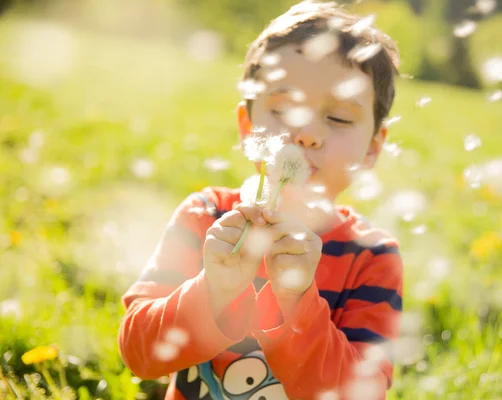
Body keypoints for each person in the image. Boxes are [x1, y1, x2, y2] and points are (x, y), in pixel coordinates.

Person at [118, 1, 403, 399]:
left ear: (373, 148)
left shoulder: (371, 259)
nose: (306, 134)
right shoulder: (205, 217)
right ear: (247, 126)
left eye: (338, 118)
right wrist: (212, 291)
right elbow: (139, 353)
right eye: (284, 108)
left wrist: (298, 301)